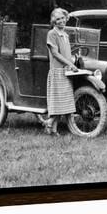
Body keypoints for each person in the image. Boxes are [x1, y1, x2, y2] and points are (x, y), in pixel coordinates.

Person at [44, 7, 78, 135]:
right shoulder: (52, 34)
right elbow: (55, 54)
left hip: (66, 70)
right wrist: (69, 63)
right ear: (53, 21)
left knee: (64, 102)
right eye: (57, 19)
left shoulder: (65, 34)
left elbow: (66, 53)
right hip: (57, 71)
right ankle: (50, 123)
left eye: (62, 18)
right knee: (58, 102)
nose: (61, 21)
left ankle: (52, 128)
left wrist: (71, 63)